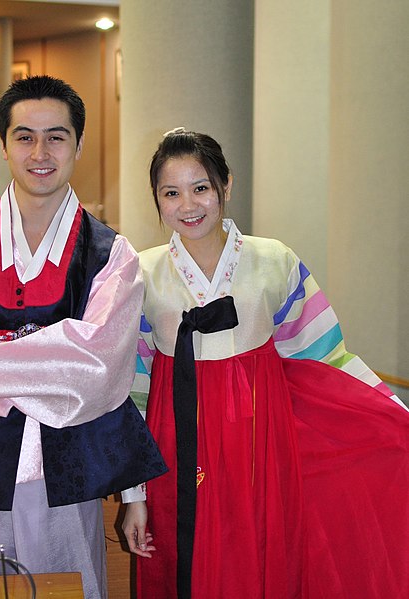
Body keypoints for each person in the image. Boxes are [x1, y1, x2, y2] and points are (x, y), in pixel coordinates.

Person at [0, 75, 166, 598]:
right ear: (3, 145)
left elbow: (97, 371)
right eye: (24, 137)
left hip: (62, 471)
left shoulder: (111, 256)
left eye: (56, 136)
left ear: (79, 145)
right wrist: (46, 368)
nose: (39, 152)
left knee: (63, 587)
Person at [121, 128, 409, 599]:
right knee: (182, 558)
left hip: (260, 445)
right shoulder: (140, 273)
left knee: (260, 557)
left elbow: (324, 356)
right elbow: (130, 389)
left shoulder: (276, 261)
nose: (188, 205)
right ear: (156, 198)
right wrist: (135, 496)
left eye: (201, 188)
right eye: (171, 193)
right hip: (176, 444)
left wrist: (388, 410)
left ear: (226, 186)